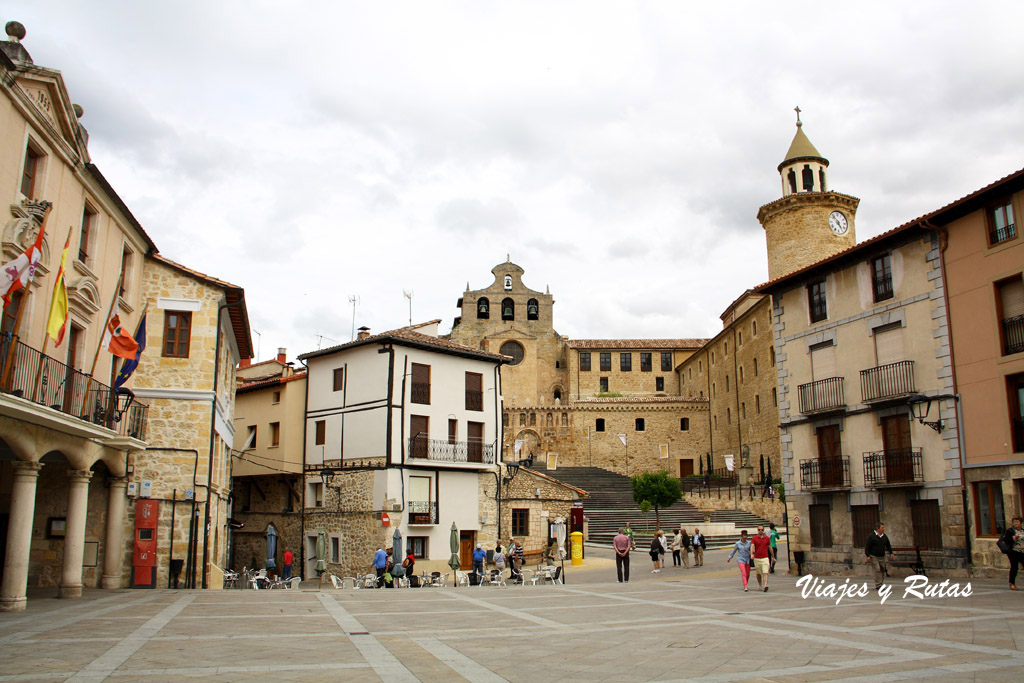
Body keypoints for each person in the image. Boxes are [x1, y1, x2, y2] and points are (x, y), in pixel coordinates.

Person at [864, 522, 894, 591]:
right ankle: (878, 585)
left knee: (882, 569)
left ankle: (881, 583)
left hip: (882, 556)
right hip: (874, 556)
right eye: (882, 527)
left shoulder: (884, 536)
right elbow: (867, 546)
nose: (883, 529)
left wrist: (891, 553)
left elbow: (888, 545)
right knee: (877, 569)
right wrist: (868, 555)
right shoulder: (871, 536)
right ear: (877, 529)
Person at [999, 516, 1024, 590]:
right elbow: (1007, 540)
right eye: (1014, 522)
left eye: (1017, 522)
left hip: (1022, 551)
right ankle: (1012, 583)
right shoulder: (1010, 531)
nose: (1015, 523)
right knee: (1014, 567)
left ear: (1021, 523)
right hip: (1013, 551)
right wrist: (1014, 538)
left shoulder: (1022, 531)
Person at [750, 526, 772, 592]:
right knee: (758, 573)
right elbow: (752, 546)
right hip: (757, 558)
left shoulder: (767, 538)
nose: (760, 531)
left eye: (761, 530)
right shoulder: (754, 538)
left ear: (763, 530)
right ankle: (760, 585)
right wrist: (751, 554)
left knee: (765, 572)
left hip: (765, 557)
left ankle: (766, 585)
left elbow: (770, 547)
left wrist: (773, 556)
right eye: (759, 530)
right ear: (757, 530)